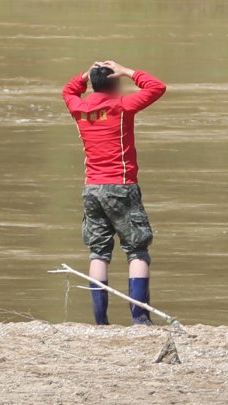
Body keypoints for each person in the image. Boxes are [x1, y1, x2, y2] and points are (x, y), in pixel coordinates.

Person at [62, 61, 167, 325]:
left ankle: (100, 321)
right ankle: (140, 318)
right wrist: (129, 71)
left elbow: (68, 91)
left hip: (91, 189)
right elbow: (157, 87)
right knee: (137, 249)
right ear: (116, 84)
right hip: (121, 186)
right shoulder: (120, 106)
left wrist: (86, 75)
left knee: (98, 251)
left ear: (94, 85)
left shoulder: (79, 108)